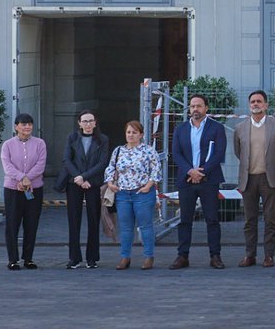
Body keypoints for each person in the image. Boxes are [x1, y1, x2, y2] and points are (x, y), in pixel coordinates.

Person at [169, 93, 228, 269]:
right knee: (185, 220)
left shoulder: (216, 128)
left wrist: (201, 172)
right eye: (192, 106)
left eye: (199, 106)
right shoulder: (180, 129)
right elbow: (176, 153)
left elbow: (219, 153)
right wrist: (190, 171)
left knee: (212, 219)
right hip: (186, 180)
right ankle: (182, 256)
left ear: (206, 108)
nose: (195, 109)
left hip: (208, 179)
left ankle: (215, 256)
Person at [233, 89, 275, 268]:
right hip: (248, 178)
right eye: (253, 102)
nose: (255, 104)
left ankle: (269, 255)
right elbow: (238, 152)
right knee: (250, 219)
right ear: (249, 105)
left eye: (259, 101)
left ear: (266, 105)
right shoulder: (240, 127)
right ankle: (250, 255)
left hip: (269, 178)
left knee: (270, 218)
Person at [104, 120, 162, 270]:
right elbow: (110, 168)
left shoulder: (149, 151)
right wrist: (110, 183)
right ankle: (125, 257)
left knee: (145, 226)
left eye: (134, 132)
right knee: (126, 227)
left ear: (141, 135)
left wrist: (148, 186)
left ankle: (149, 256)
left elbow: (156, 170)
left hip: (142, 192)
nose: (131, 135)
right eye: (128, 132)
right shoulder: (118, 151)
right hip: (123, 193)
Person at [57, 110, 109, 269]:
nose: (88, 124)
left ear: (95, 122)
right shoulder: (72, 138)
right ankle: (74, 258)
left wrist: (85, 177)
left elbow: (102, 163)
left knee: (93, 220)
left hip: (93, 183)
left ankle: (92, 258)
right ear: (79, 123)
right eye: (84, 121)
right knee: (74, 220)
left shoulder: (103, 139)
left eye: (91, 121)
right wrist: (79, 178)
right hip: (74, 183)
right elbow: (67, 159)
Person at [1, 113, 46, 270]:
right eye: (23, 124)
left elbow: (40, 165)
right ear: (16, 126)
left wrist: (28, 180)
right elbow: (7, 166)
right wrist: (21, 178)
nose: (27, 127)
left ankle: (28, 258)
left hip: (35, 188)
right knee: (12, 224)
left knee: (31, 223)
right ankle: (13, 259)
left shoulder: (40, 143)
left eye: (29, 124)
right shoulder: (7, 145)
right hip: (13, 189)